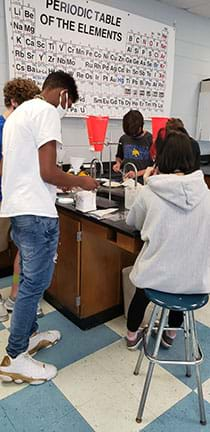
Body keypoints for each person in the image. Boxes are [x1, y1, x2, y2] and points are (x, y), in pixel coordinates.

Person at [0, 70, 98, 384]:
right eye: (68, 102)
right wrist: (81, 182)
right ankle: (15, 357)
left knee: (29, 278)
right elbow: (47, 171)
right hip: (37, 213)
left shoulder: (18, 115)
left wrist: (61, 184)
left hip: (19, 208)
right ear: (62, 94)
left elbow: (29, 168)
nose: (65, 108)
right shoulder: (46, 110)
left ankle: (26, 338)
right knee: (35, 284)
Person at [126, 131, 210, 350]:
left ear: (161, 158)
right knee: (181, 287)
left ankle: (132, 337)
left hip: (155, 274)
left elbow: (133, 221)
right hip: (195, 281)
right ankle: (170, 335)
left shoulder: (150, 191)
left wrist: (147, 183)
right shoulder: (207, 194)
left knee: (140, 291)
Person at [0, 78, 42, 322]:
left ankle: (15, 295)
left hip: (19, 200)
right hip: (4, 197)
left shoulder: (22, 126)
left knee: (23, 253)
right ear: (15, 103)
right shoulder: (3, 126)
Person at [113, 110, 153, 184]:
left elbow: (155, 167)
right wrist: (118, 164)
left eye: (134, 133)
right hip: (127, 182)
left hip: (145, 183)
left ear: (141, 126)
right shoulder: (124, 138)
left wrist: (137, 173)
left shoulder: (151, 140)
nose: (132, 136)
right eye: (129, 134)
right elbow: (119, 157)